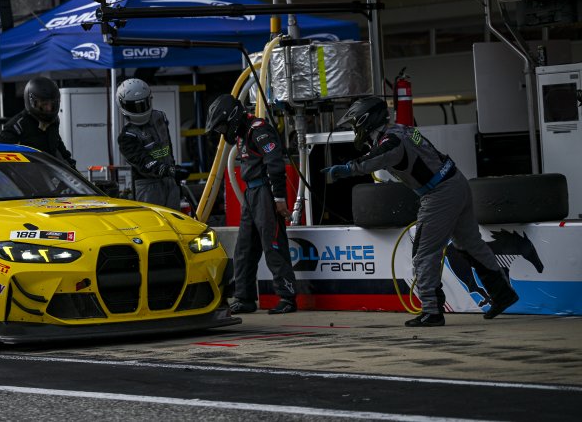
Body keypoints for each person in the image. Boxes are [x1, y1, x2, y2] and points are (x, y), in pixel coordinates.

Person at [322, 95, 519, 327]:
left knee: (423, 253)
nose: (355, 129)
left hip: (439, 193)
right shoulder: (401, 130)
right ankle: (502, 294)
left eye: (355, 124)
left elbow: (376, 158)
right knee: (470, 245)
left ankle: (432, 311)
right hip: (455, 182)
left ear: (367, 120)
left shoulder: (392, 140)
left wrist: (346, 169)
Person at [206, 94, 297, 315]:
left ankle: (287, 297)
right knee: (244, 249)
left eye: (222, 127)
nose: (222, 132)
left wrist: (278, 198)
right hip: (251, 194)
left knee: (273, 245)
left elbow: (275, 163)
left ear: (232, 118)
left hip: (266, 192)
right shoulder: (242, 133)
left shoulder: (259, 130)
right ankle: (244, 297)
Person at [116, 78, 182, 210]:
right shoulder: (127, 136)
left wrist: (172, 172)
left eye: (143, 104)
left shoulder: (160, 118)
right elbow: (143, 162)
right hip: (147, 186)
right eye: (134, 107)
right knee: (153, 220)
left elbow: (168, 148)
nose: (140, 109)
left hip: (169, 180)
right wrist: (166, 170)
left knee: (175, 219)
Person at [0, 76, 76, 167]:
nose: (48, 108)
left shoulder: (53, 122)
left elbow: (60, 149)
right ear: (31, 102)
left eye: (52, 104)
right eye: (44, 104)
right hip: (25, 173)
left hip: (48, 172)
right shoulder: (18, 126)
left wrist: (73, 170)